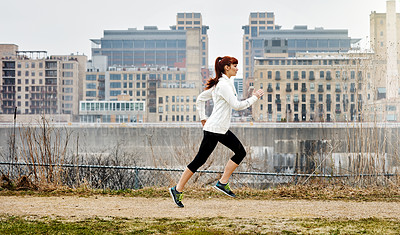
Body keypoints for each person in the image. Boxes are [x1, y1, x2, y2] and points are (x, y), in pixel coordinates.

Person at [169, 56, 264, 207]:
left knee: (236, 153)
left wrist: (203, 118)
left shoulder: (222, 84)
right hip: (215, 130)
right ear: (227, 67)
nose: (237, 68)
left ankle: (221, 183)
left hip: (219, 129)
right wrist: (254, 97)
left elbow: (200, 98)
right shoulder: (223, 85)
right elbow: (237, 106)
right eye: (235, 66)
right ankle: (178, 189)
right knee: (202, 160)